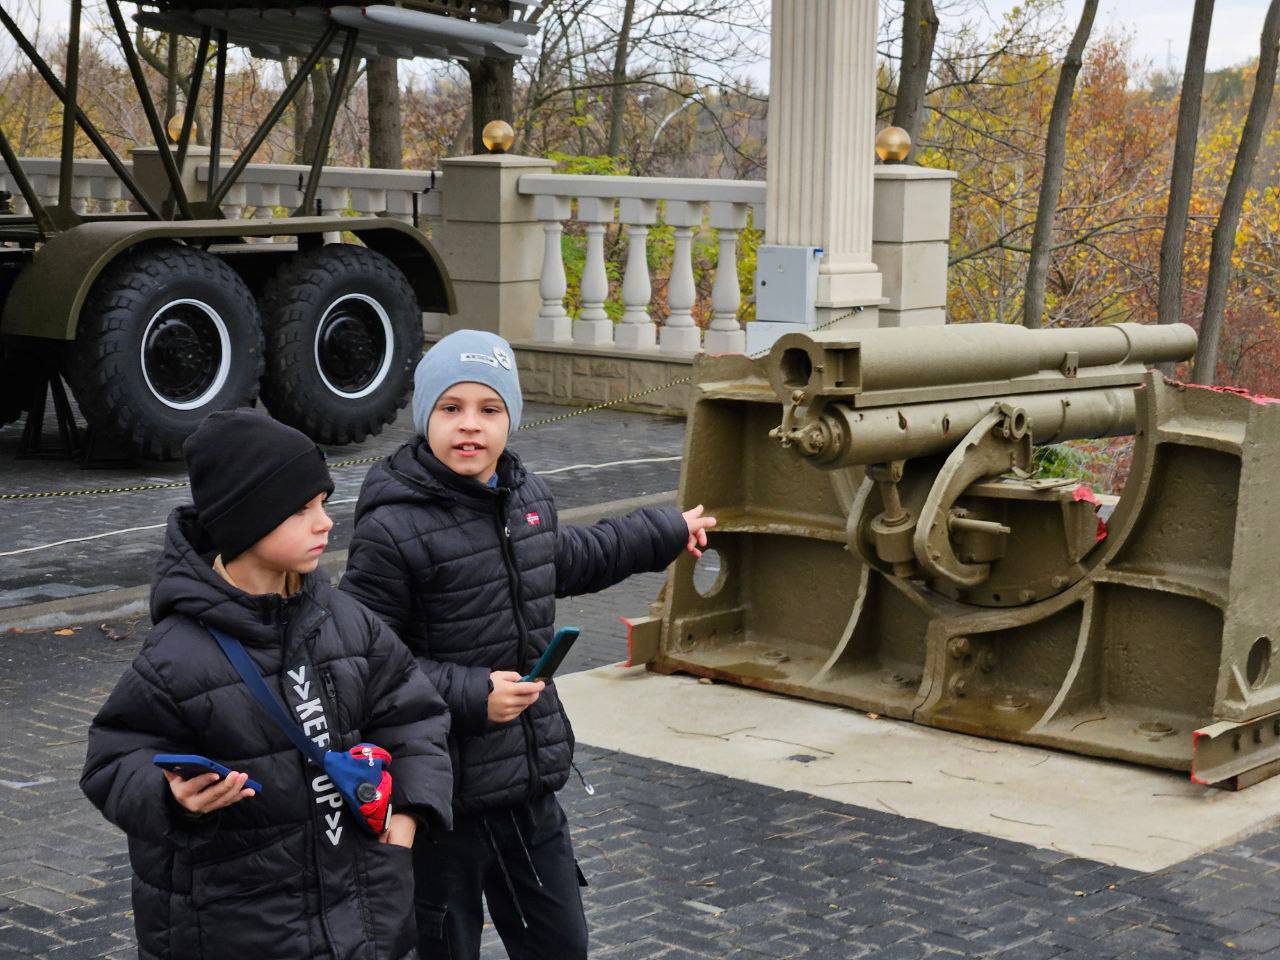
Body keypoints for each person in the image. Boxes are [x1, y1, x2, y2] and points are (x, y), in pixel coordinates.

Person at [340, 329, 715, 960]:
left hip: (525, 785)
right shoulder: (392, 527)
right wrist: (470, 694)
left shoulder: (525, 498)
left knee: (559, 944)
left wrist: (665, 532)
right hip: (438, 797)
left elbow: (574, 557)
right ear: (424, 416)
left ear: (511, 418)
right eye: (450, 408)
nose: (470, 426)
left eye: (489, 410)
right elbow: (362, 664)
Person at [80, 409, 454, 960]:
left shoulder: (348, 620)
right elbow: (113, 759)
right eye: (302, 509)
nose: (325, 522)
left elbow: (415, 714)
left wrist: (405, 820)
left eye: (323, 504)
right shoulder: (177, 653)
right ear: (246, 521)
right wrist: (172, 797)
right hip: (239, 927)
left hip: (361, 916)